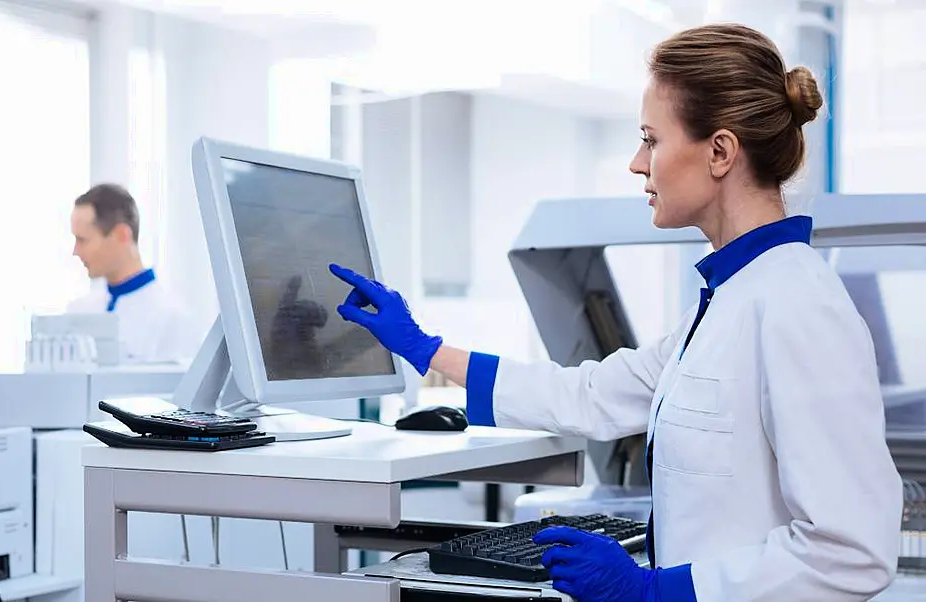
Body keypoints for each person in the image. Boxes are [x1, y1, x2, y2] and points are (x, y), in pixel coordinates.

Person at [329, 23, 902, 602]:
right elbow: (594, 393)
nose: (636, 162)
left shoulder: (798, 306)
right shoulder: (729, 300)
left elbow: (850, 550)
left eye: (651, 140)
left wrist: (658, 591)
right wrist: (428, 350)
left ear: (720, 152)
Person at [67, 183, 195, 363]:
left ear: (121, 235)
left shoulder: (170, 318)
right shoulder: (78, 312)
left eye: (82, 240)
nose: (75, 251)